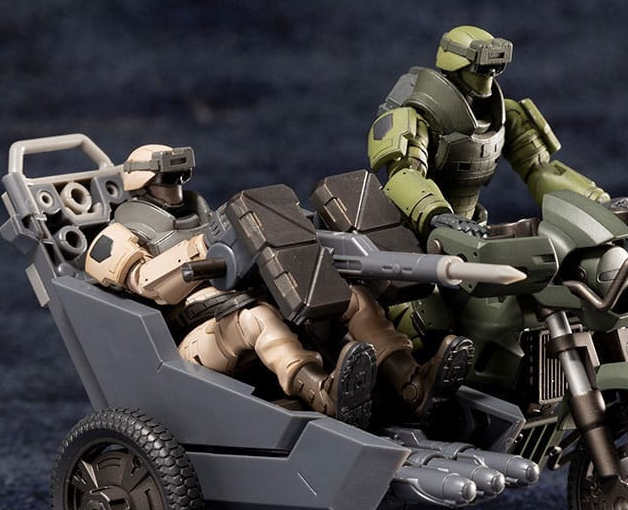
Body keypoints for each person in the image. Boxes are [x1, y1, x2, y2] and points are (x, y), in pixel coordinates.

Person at [85, 144, 471, 428]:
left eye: (180, 177)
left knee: (350, 298)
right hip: (191, 343)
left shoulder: (200, 214)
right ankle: (322, 394)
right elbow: (146, 284)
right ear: (142, 183)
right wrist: (202, 248)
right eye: (166, 179)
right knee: (256, 318)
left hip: (239, 304)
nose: (176, 187)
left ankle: (410, 382)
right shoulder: (117, 235)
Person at [368, 25, 610, 240]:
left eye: (496, 67)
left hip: (474, 232)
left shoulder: (505, 115)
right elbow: (404, 175)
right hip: (420, 238)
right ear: (457, 65)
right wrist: (438, 216)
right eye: (482, 68)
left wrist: (595, 202)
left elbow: (540, 169)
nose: (490, 74)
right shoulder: (417, 119)